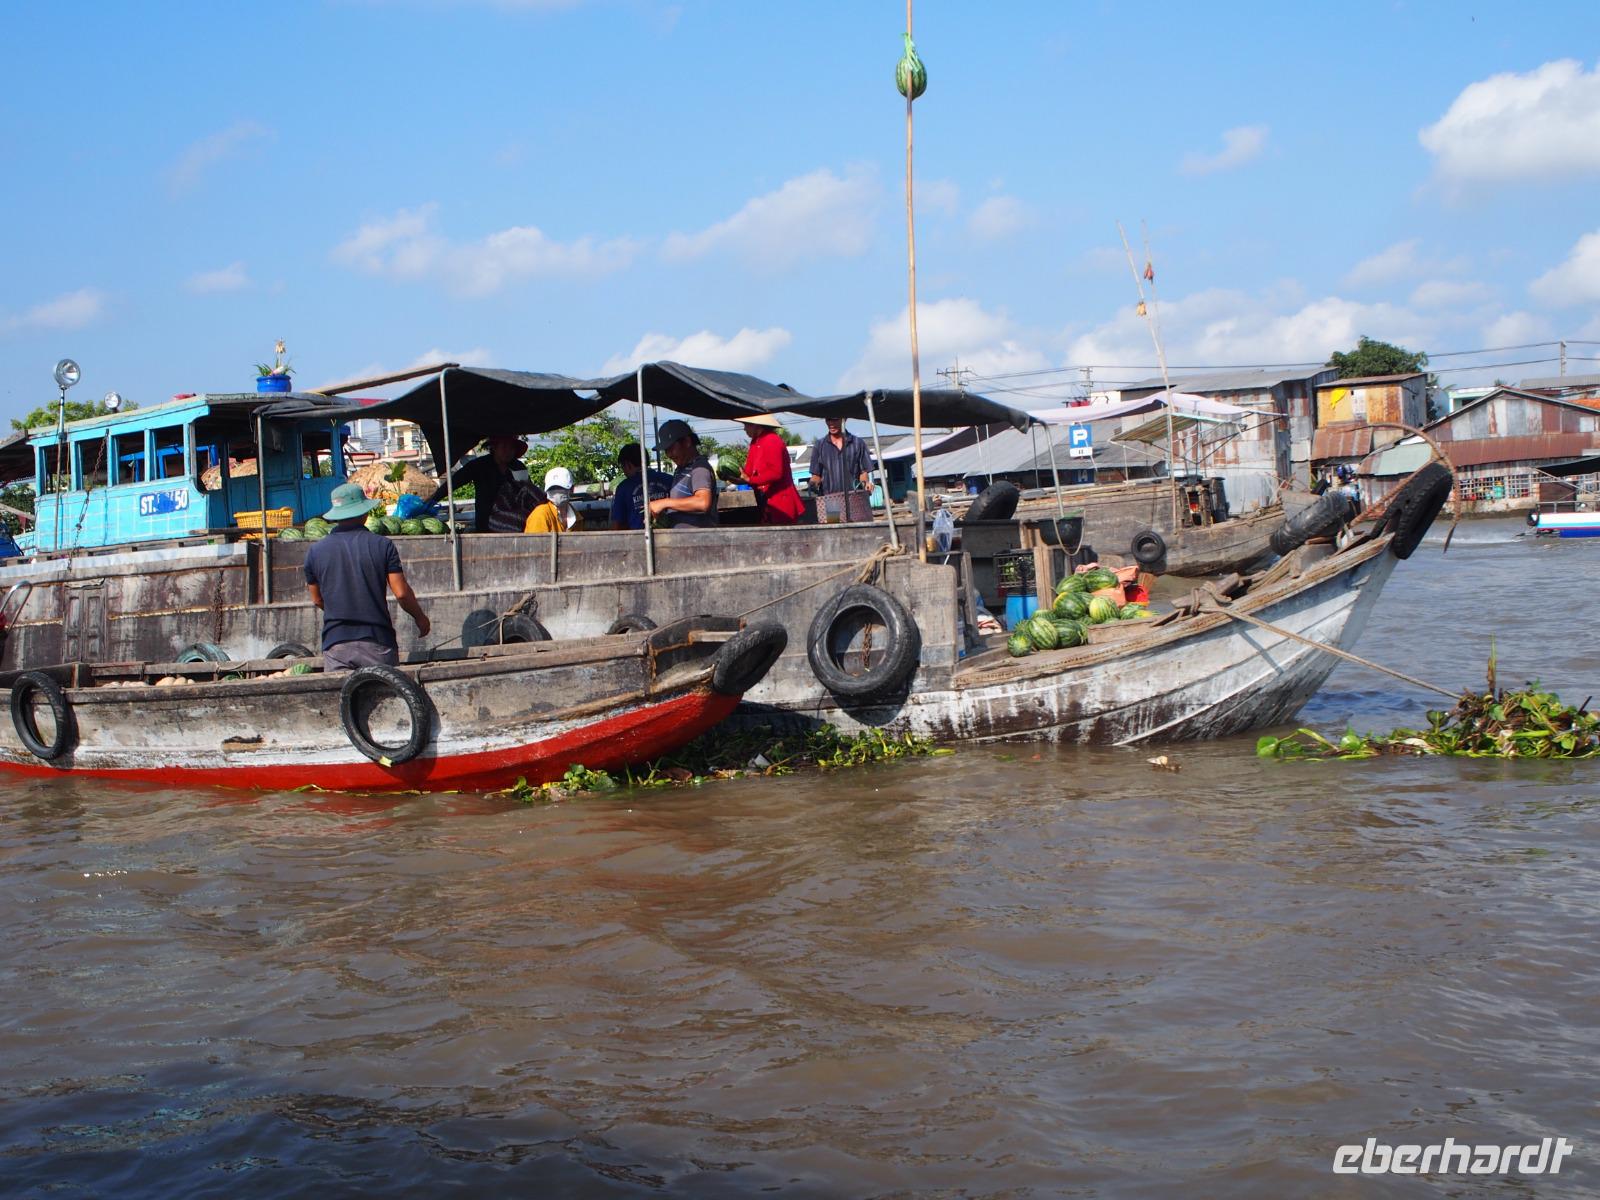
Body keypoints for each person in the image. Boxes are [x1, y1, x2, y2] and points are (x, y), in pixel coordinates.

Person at [304, 482, 430, 670]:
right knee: (385, 697)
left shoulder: (315, 551)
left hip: (336, 645)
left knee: (343, 697)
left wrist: (341, 612)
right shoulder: (382, 545)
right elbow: (401, 593)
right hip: (377, 642)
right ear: (364, 513)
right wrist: (420, 617)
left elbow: (317, 599)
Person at [428, 435, 532, 532]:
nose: (508, 451)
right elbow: (453, 483)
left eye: (512, 448)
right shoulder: (479, 465)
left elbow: (529, 492)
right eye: (504, 447)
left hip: (514, 525)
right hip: (486, 524)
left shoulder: (518, 467)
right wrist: (432, 501)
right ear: (494, 447)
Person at [647, 419, 718, 527]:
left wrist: (664, 503)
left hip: (698, 541)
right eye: (666, 450)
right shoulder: (681, 469)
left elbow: (703, 502)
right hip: (682, 540)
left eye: (671, 448)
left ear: (687, 442)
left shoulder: (699, 468)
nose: (669, 454)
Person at [736, 414, 806, 525]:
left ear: (756, 425)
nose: (744, 428)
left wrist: (749, 480)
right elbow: (748, 473)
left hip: (781, 503)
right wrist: (735, 477)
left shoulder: (772, 440)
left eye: (746, 425)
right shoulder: (755, 442)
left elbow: (776, 473)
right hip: (766, 501)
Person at [609, 443, 673, 530]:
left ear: (628, 464)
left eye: (623, 467)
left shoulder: (624, 487)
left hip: (638, 540)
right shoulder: (669, 479)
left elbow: (617, 525)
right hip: (671, 536)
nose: (624, 472)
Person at [809, 416, 874, 496]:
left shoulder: (858, 443)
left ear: (844, 419)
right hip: (829, 501)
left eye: (835, 419)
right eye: (828, 419)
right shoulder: (819, 445)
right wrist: (812, 485)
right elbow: (816, 475)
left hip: (854, 499)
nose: (831, 424)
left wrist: (866, 484)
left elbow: (863, 472)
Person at [526, 466, 580, 533]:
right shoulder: (540, 515)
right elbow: (535, 542)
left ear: (572, 489)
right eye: (552, 489)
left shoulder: (577, 518)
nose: (556, 492)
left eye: (560, 488)